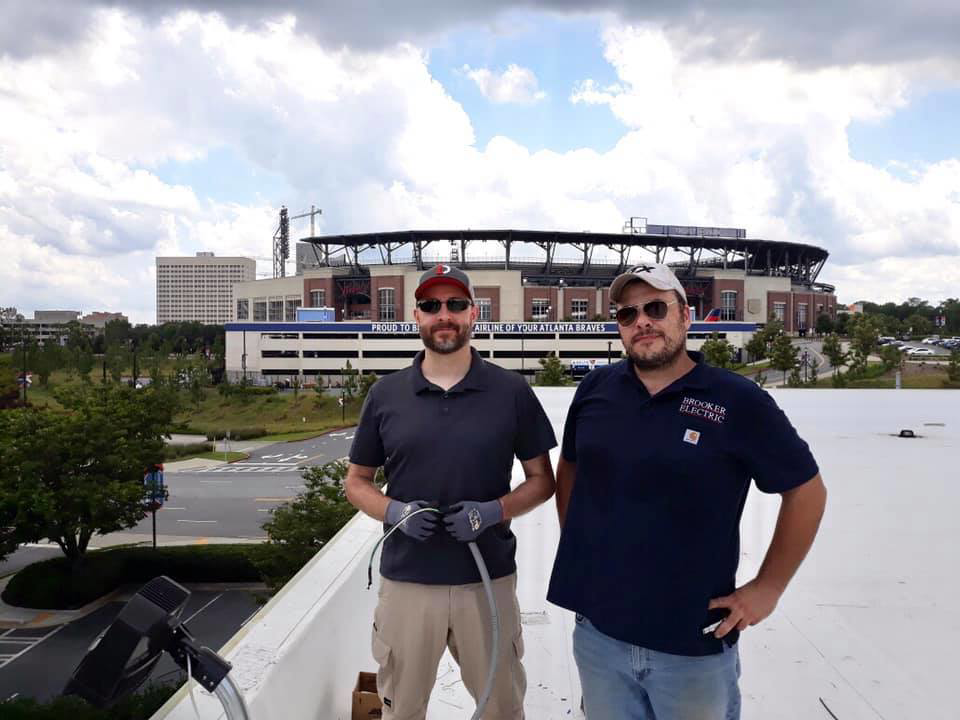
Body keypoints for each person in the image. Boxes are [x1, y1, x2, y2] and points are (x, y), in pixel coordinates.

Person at [547, 263, 827, 720]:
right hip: (599, 637)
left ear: (685, 316)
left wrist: (768, 587)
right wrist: (583, 547)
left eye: (655, 308)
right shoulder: (597, 388)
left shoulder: (737, 400)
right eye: (627, 314)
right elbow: (571, 467)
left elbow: (807, 491)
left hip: (691, 647)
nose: (642, 321)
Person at [346, 264, 557, 720]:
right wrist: (395, 512)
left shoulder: (511, 391)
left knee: (500, 708)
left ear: (473, 313)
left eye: (455, 304)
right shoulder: (385, 394)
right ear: (416, 316)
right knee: (403, 709)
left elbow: (543, 480)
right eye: (431, 305)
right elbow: (356, 482)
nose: (444, 314)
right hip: (407, 583)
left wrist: (493, 511)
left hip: (486, 582)